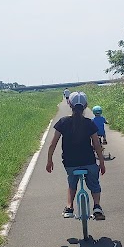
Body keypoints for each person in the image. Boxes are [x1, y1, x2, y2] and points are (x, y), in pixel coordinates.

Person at [46, 91, 106, 220]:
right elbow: (97, 145)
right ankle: (97, 207)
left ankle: (69, 207)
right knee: (94, 184)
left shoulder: (63, 122)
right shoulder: (89, 123)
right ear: (86, 106)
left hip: (70, 163)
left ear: (69, 103)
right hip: (89, 162)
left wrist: (49, 160)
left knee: (72, 183)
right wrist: (101, 162)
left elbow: (52, 144)